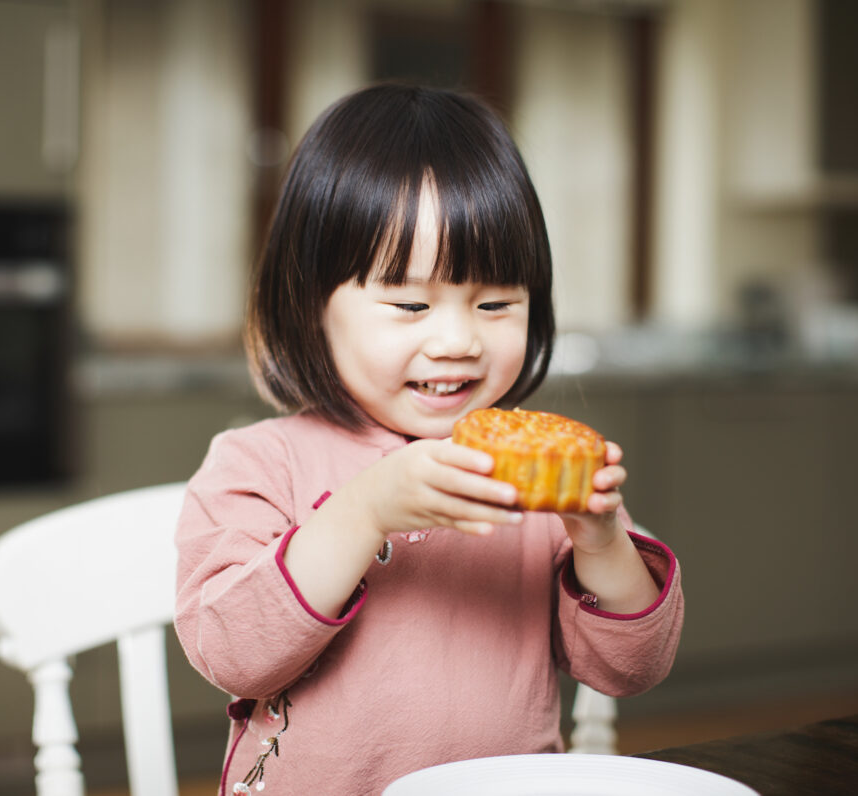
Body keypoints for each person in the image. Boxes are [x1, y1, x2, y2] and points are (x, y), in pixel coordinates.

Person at [174, 83, 684, 795]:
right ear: (309, 304)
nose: (457, 341)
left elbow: (632, 669)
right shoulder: (260, 464)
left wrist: (600, 541)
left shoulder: (528, 480)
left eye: (496, 303)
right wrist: (363, 511)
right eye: (410, 304)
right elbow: (233, 654)